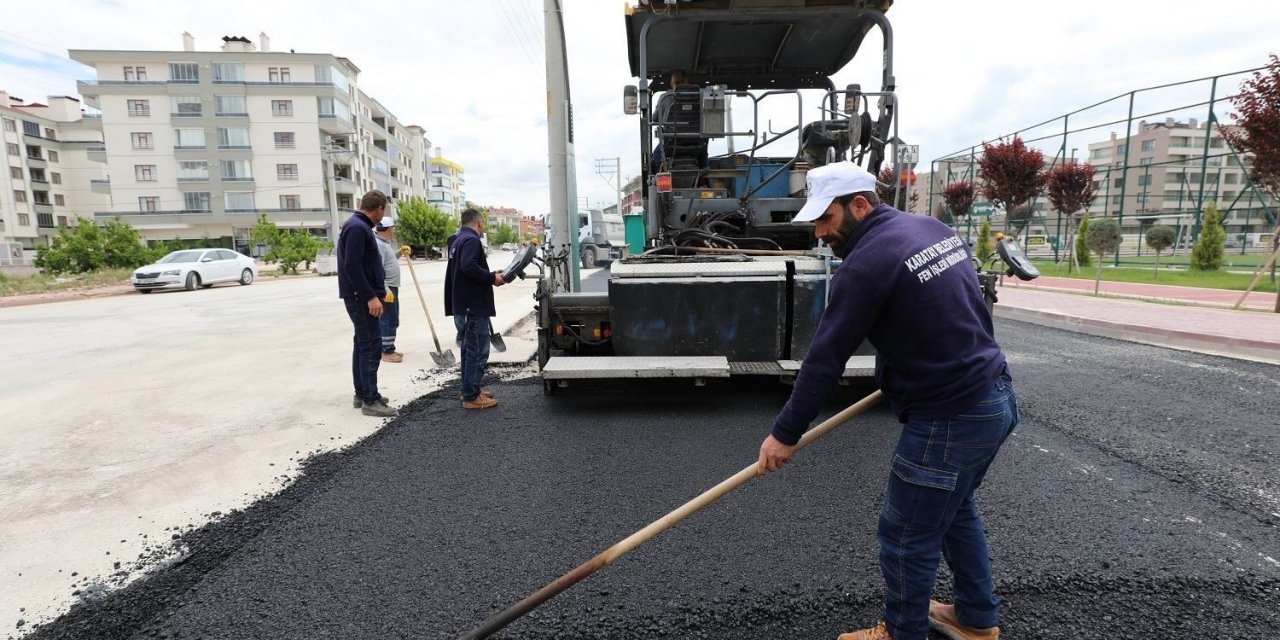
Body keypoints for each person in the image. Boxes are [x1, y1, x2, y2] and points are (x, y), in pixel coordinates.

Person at [756, 162, 1017, 640]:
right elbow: (963, 312)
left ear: (859, 204)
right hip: (995, 395)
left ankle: (901, 634)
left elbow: (824, 360)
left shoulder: (865, 264)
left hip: (949, 417)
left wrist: (784, 434)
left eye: (826, 219)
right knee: (955, 511)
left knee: (905, 537)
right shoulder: (932, 228)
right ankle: (976, 618)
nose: (820, 233)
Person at [337, 190, 397, 418]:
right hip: (361, 298)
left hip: (359, 295)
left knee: (362, 343)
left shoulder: (357, 226)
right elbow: (352, 267)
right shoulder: (357, 228)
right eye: (385, 211)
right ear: (380, 209)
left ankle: (363, 393)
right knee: (371, 346)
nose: (384, 215)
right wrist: (371, 296)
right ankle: (370, 401)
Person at [445, 208, 505, 410]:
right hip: (472, 306)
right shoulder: (471, 240)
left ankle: (469, 389)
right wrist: (491, 278)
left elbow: (465, 268)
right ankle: (471, 396)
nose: (483, 227)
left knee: (469, 350)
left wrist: (490, 274)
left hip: (463, 305)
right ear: (478, 223)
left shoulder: (457, 240)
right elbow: (468, 266)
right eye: (483, 224)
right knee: (478, 350)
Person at [374, 215, 403, 363]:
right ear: (387, 229)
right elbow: (377, 270)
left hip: (391, 286)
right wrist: (385, 288)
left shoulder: (384, 243)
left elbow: (388, 262)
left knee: (392, 317)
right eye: (392, 228)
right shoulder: (379, 245)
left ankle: (388, 346)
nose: (394, 231)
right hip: (387, 288)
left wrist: (399, 253)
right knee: (388, 318)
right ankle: (386, 351)